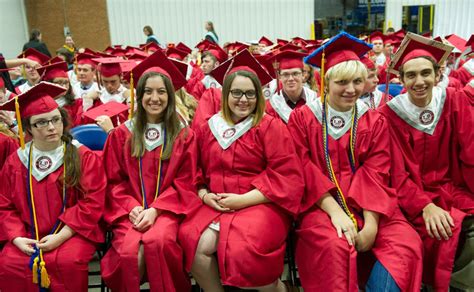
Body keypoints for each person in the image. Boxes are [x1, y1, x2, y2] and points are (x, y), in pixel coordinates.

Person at [288, 32, 423, 291]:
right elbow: (303, 169)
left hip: (372, 205)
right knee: (333, 246)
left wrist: (371, 224)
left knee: (406, 244)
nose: (351, 90)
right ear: (325, 82)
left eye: (358, 81)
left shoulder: (373, 120)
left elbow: (376, 171)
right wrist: (336, 212)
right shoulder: (303, 119)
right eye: (342, 81)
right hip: (321, 205)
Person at [178, 51, 304, 291]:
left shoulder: (269, 127)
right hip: (217, 203)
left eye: (250, 93)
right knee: (191, 241)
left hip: (261, 202)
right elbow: (196, 173)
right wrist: (205, 195)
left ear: (259, 96)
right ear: (225, 95)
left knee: (242, 248)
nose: (243, 99)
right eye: (236, 92)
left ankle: (276, 288)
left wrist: (243, 200)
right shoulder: (208, 129)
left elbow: (286, 176)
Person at [379, 34, 474, 291]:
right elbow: (394, 173)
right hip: (410, 197)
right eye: (411, 75)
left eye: (425, 73)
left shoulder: (454, 100)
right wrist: (424, 206)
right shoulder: (388, 115)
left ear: (437, 74)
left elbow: (470, 152)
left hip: (453, 188)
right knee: (443, 233)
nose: (419, 82)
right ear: (401, 79)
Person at [101, 50, 199, 291]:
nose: (154, 98)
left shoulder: (183, 136)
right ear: (139, 94)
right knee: (130, 253)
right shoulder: (121, 135)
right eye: (148, 91)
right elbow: (113, 182)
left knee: (160, 241)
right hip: (129, 212)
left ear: (171, 96)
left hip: (168, 211)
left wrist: (156, 210)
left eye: (161, 91)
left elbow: (187, 182)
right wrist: (132, 207)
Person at [0, 81, 106, 291]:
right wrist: (16, 237)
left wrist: (61, 236)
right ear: (27, 127)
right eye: (41, 122)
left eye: (55, 120)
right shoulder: (17, 161)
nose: (51, 127)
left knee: (66, 262)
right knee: (10, 263)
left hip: (73, 233)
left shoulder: (81, 156)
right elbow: (4, 204)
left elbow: (92, 202)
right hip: (27, 234)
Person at [266, 50, 318, 124]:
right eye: (286, 74)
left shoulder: (316, 100)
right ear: (279, 76)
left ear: (303, 75)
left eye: (295, 73)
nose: (290, 79)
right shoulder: (271, 107)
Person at [37, 61, 83, 127]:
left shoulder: (75, 104)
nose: (64, 86)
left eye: (66, 82)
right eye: (59, 82)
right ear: (48, 84)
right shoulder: (39, 105)